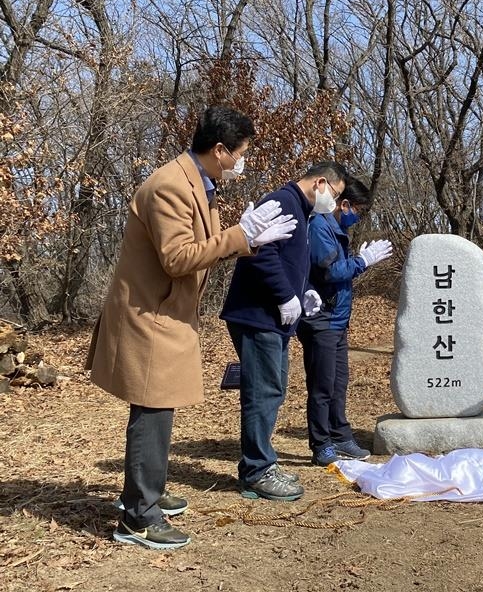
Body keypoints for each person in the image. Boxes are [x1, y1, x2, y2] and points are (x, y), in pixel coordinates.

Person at [87, 106, 297, 550]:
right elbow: (178, 258)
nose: (243, 160)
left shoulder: (203, 184)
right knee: (152, 409)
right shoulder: (170, 186)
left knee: (160, 408)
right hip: (148, 314)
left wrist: (248, 242)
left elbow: (205, 249)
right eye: (240, 152)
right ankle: (138, 518)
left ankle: (150, 492)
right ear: (219, 150)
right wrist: (242, 237)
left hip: (168, 314)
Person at [220, 162, 348, 501]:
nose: (333, 204)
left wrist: (303, 291)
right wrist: (284, 295)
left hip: (274, 318)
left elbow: (287, 259)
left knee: (273, 389)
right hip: (258, 314)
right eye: (334, 195)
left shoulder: (302, 211)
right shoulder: (282, 202)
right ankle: (256, 471)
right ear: (321, 182)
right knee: (263, 391)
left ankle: (262, 463)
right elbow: (258, 254)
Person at [297, 176, 393, 466]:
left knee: (338, 383)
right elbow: (328, 272)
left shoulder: (336, 229)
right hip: (320, 319)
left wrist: (359, 260)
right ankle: (321, 443)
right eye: (357, 210)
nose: (357, 216)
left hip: (337, 319)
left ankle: (340, 434)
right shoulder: (319, 228)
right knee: (322, 385)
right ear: (344, 203)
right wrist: (362, 262)